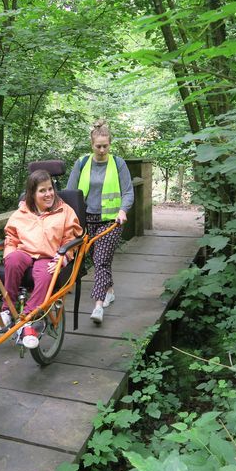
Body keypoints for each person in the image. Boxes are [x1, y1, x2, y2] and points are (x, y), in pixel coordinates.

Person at [0, 169, 82, 348]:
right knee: (13, 260)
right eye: (42, 191)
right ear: (32, 193)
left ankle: (28, 321)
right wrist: (9, 254)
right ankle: (8, 311)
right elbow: (11, 239)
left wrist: (63, 258)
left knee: (45, 274)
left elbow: (72, 240)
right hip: (24, 252)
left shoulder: (64, 211)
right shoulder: (22, 212)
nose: (48, 194)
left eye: (50, 189)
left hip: (49, 255)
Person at [66, 120, 134, 325]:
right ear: (92, 144)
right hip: (86, 221)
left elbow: (128, 191)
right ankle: (110, 290)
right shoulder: (82, 163)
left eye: (106, 145)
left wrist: (123, 210)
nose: (102, 150)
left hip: (111, 221)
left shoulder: (118, 163)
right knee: (98, 259)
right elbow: (69, 192)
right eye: (98, 146)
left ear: (110, 144)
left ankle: (98, 305)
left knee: (101, 260)